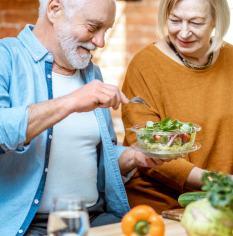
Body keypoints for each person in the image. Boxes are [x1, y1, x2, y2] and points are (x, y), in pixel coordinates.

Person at [0, 0, 169, 235]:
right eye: (93, 27)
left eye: (106, 31)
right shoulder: (6, 57)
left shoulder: (92, 73)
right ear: (54, 9)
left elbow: (100, 156)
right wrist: (71, 101)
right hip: (28, 225)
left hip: (94, 217)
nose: (100, 42)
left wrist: (135, 156)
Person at [121, 0, 233, 214]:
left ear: (216, 20)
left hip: (227, 204)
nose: (184, 33)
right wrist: (217, 182)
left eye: (196, 22)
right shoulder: (144, 66)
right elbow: (146, 150)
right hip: (164, 208)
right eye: (175, 20)